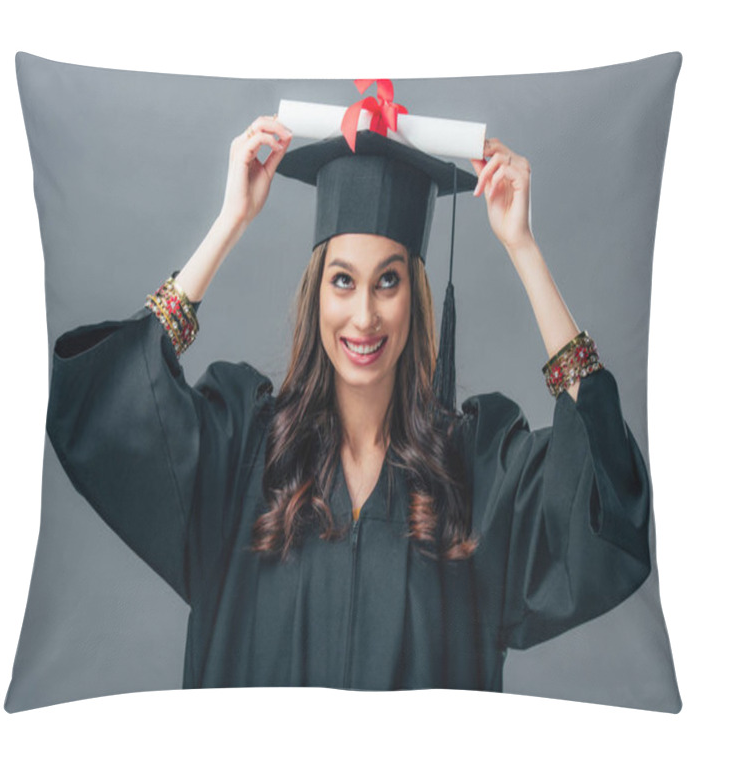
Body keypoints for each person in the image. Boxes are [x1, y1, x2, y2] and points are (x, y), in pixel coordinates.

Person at [46, 113, 651, 692]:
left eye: (388, 281)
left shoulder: (472, 475)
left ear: (414, 298)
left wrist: (524, 248)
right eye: (343, 280)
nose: (364, 316)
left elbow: (605, 508)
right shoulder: (243, 454)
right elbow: (103, 408)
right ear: (317, 295)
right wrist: (230, 221)